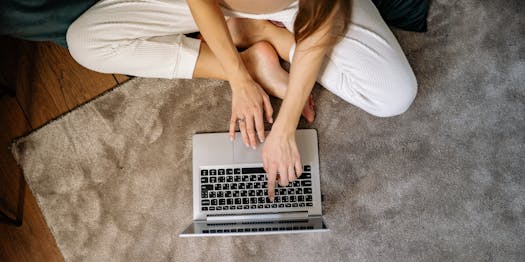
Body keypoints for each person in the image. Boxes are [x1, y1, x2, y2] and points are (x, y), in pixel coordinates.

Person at [66, 0, 417, 200]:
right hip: (213, 4)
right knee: (85, 40)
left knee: (396, 95)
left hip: (300, 6)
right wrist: (239, 77)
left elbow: (321, 25)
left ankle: (266, 35)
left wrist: (284, 126)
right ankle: (251, 54)